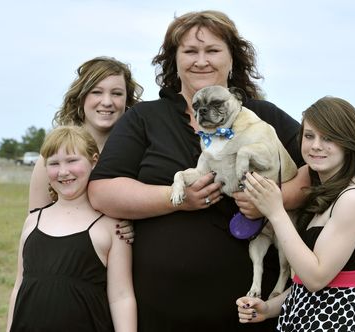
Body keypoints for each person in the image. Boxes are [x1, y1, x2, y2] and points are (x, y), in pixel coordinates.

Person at [88, 10, 309, 331]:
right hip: (160, 313)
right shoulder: (144, 119)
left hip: (252, 314)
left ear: (233, 59)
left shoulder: (264, 116)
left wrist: (276, 198)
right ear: (173, 62)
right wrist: (175, 198)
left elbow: (316, 171)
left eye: (213, 50)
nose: (201, 61)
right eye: (190, 51)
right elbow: (102, 190)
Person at [236, 96, 355, 331]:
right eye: (309, 136)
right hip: (306, 320)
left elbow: (316, 279)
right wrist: (268, 308)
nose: (316, 145)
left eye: (328, 138)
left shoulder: (353, 199)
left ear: (349, 143)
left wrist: (276, 211)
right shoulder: (327, 196)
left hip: (339, 323)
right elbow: (306, 283)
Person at [7, 126, 137, 332]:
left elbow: (121, 297)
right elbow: (19, 286)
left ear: (94, 161)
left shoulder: (111, 226)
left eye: (72, 160)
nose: (63, 171)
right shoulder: (33, 221)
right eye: (54, 163)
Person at [28, 56, 143, 213]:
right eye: (96, 92)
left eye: (116, 93)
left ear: (127, 100)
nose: (107, 102)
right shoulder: (53, 156)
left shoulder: (140, 151)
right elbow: (35, 224)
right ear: (81, 97)